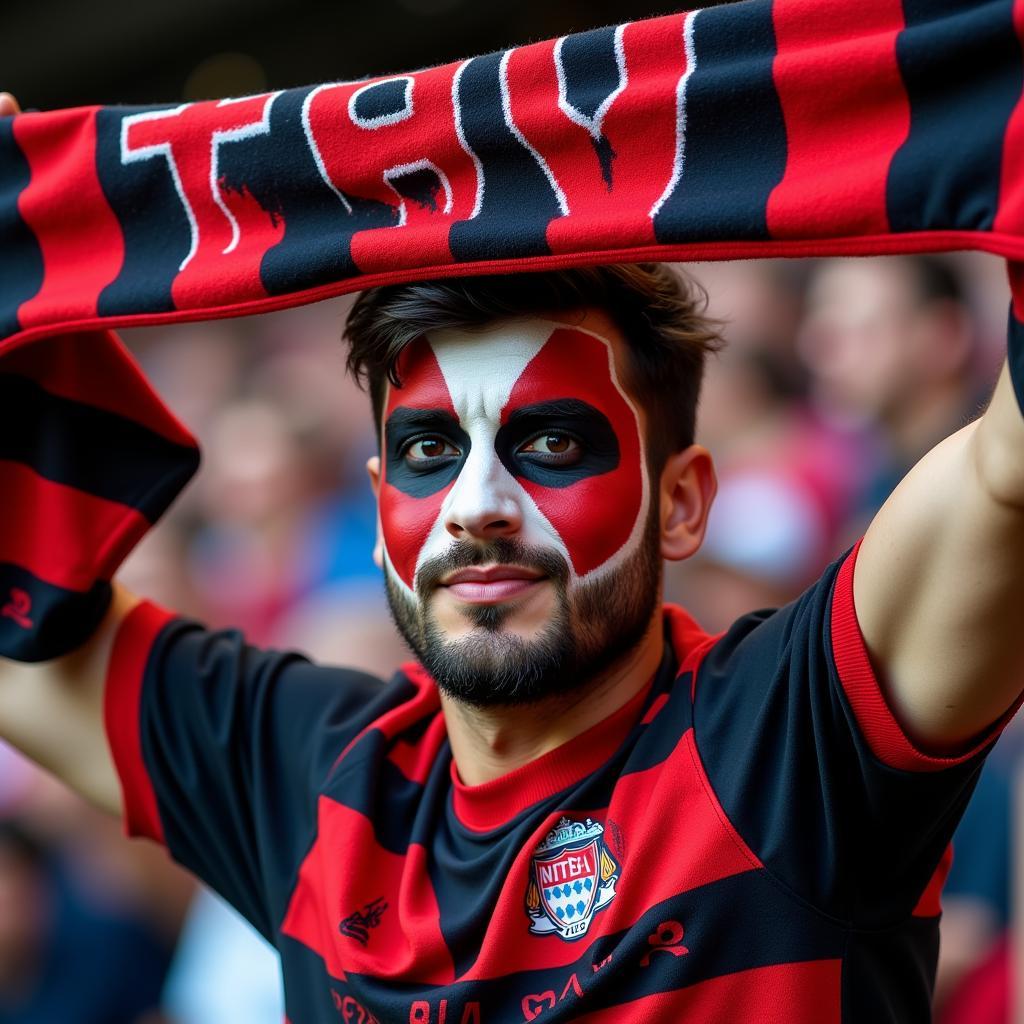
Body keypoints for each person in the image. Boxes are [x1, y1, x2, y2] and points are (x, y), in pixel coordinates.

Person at [3, 95, 1024, 1023]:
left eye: (550, 444)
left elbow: (1005, 471)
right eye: (428, 453)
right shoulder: (312, 776)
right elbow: (25, 640)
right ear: (372, 507)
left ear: (679, 504)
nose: (475, 508)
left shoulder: (791, 735)